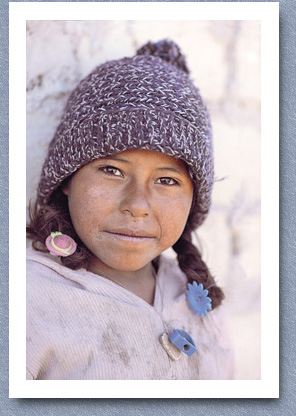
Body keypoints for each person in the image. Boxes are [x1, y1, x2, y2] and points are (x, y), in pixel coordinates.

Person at [26, 39, 234, 380]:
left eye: (167, 181)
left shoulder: (202, 302)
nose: (137, 206)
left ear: (194, 197)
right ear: (67, 177)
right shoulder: (27, 301)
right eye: (112, 171)